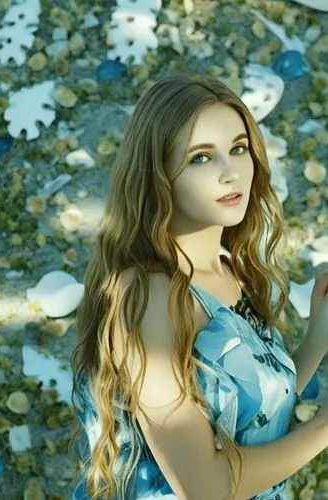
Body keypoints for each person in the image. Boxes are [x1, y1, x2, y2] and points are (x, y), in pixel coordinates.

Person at [67, 74, 328, 500]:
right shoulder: (148, 297)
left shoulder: (229, 269)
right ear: (159, 174)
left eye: (238, 149)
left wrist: (318, 335)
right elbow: (202, 488)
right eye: (201, 158)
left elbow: (251, 415)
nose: (231, 173)